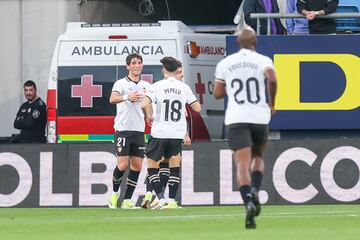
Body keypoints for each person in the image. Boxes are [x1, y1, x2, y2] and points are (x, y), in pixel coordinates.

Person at [213, 27, 277, 229]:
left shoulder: (225, 63)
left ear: (238, 43)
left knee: (241, 164)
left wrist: (230, 86)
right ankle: (256, 189)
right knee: (258, 157)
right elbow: (273, 79)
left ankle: (248, 200)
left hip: (236, 117)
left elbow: (217, 93)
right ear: (255, 43)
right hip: (259, 116)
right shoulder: (263, 60)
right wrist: (272, 103)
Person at [141, 57, 201, 209]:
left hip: (160, 132)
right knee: (174, 166)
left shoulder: (157, 86)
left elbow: (144, 103)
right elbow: (197, 108)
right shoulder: (184, 87)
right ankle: (172, 201)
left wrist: (149, 113)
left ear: (163, 70)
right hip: (176, 134)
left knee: (152, 166)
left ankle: (160, 199)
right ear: (177, 71)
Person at [107, 53, 151, 209]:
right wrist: (127, 97)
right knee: (122, 165)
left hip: (139, 131)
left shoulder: (146, 85)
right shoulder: (121, 84)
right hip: (123, 129)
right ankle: (114, 193)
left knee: (137, 166)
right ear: (128, 66)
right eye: (133, 63)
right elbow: (112, 99)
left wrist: (148, 116)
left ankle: (127, 200)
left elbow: (147, 104)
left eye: (139, 63)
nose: (137, 65)